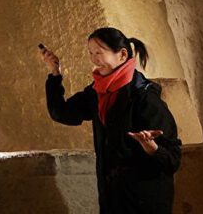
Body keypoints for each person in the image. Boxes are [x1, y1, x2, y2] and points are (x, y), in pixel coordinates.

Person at [40, 27, 182, 214]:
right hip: (113, 198)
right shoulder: (97, 92)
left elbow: (172, 159)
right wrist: (54, 74)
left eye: (99, 52)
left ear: (122, 55)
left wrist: (153, 149)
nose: (93, 59)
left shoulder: (144, 97)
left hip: (145, 201)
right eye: (91, 53)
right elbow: (63, 113)